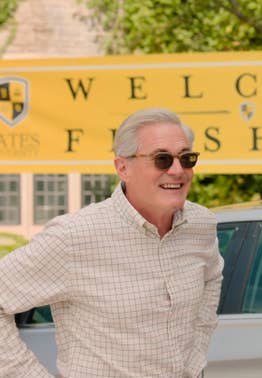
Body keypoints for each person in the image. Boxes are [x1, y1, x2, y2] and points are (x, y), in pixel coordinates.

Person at [0, 108, 224, 377]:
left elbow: (212, 278)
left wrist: (195, 356)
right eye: (161, 159)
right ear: (123, 167)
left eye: (187, 159)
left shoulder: (202, 225)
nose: (178, 170)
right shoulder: (74, 236)